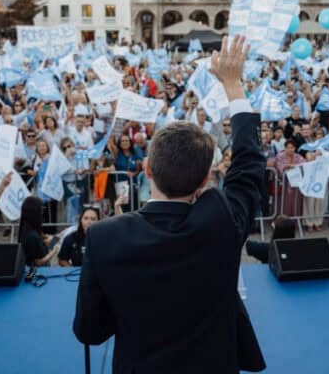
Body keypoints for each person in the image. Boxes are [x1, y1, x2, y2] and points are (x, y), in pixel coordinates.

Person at [73, 36, 267, 373]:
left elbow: (90, 330)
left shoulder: (105, 237)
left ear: (147, 170)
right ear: (206, 180)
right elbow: (249, 166)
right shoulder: (222, 224)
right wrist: (233, 84)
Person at [18, 196, 60, 267]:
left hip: (42, 255)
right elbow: (39, 262)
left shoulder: (26, 228)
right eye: (41, 211)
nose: (43, 214)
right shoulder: (32, 236)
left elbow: (40, 247)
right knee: (56, 241)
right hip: (39, 270)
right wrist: (54, 251)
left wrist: (52, 239)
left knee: (57, 239)